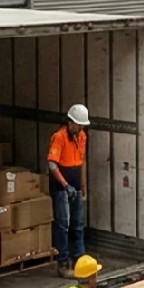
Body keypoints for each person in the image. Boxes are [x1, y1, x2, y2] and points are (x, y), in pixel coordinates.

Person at [48, 105, 91, 276]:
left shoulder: (82, 136)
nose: (80, 129)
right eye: (78, 125)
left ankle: (79, 259)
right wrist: (65, 185)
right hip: (62, 188)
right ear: (70, 122)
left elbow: (82, 160)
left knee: (78, 225)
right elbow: (52, 164)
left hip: (75, 186)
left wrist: (82, 185)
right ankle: (63, 263)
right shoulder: (59, 137)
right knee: (63, 225)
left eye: (82, 126)